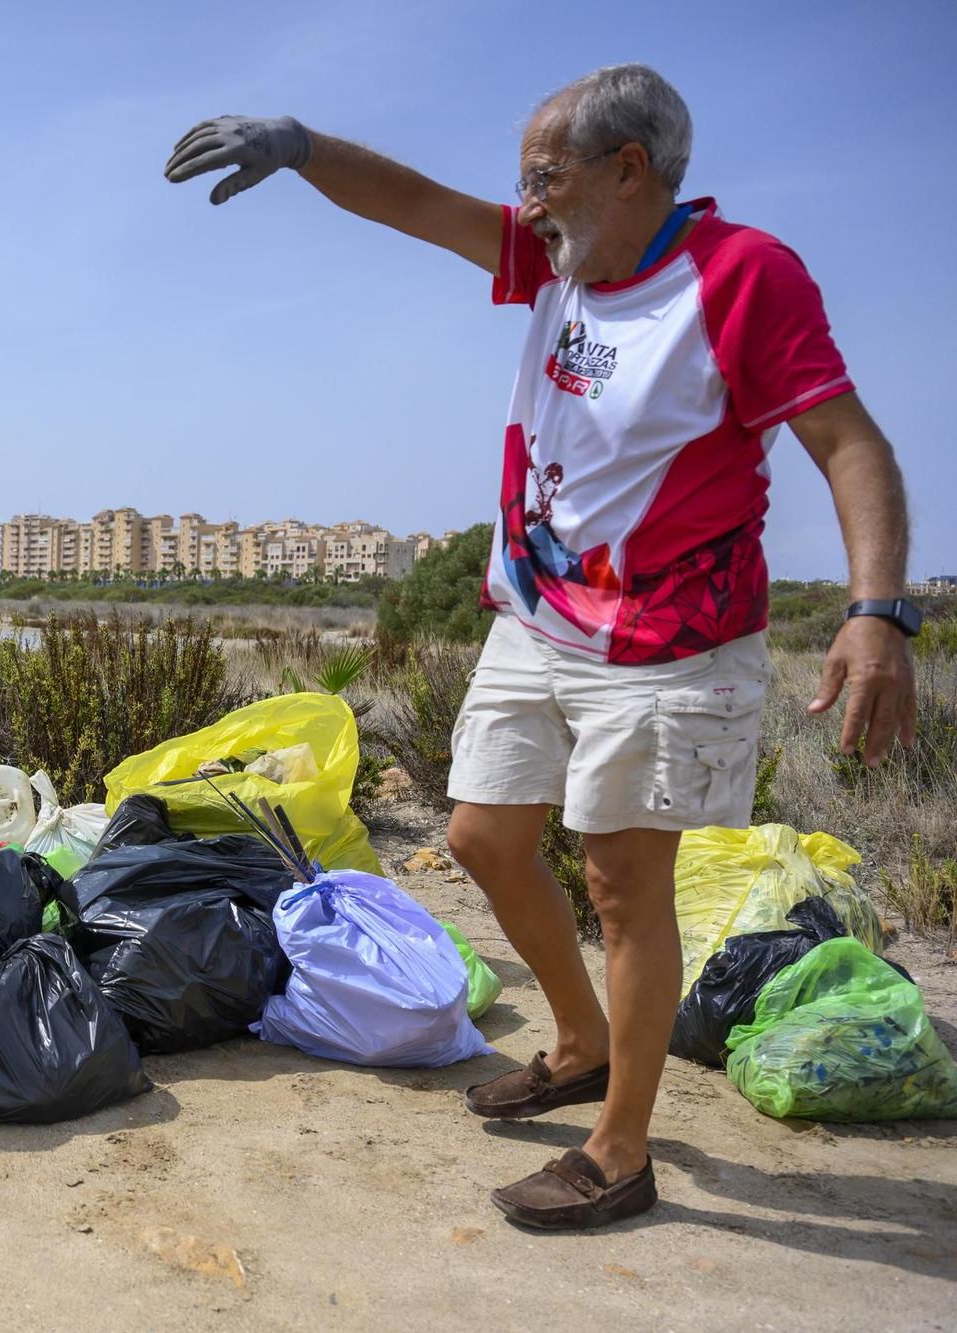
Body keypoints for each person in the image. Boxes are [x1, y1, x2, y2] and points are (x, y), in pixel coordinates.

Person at [167, 65, 918, 1230]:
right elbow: (416, 204)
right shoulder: (554, 259)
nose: (522, 202)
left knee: (622, 883)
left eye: (542, 176)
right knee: (479, 834)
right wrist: (302, 145)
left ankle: (619, 1150)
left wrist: (874, 610)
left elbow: (847, 442)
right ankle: (576, 1040)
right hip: (537, 615)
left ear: (628, 169)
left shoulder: (736, 276)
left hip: (672, 637)